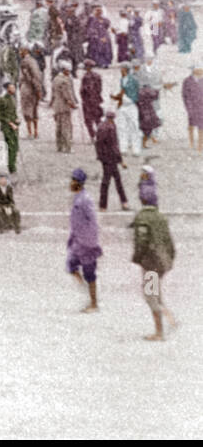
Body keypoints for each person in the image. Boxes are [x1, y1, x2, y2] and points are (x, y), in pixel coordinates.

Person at [129, 170, 176, 341]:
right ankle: (170, 319)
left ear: (142, 199)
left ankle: (159, 332)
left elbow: (140, 242)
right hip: (163, 261)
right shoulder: (161, 217)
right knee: (156, 292)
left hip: (150, 262)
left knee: (150, 295)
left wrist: (137, 258)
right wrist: (170, 259)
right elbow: (170, 243)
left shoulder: (142, 218)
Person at [66, 168, 101, 313]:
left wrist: (91, 241)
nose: (71, 182)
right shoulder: (77, 197)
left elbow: (93, 221)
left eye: (73, 180)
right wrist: (71, 238)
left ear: (79, 183)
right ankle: (86, 293)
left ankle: (93, 303)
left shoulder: (85, 199)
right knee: (71, 266)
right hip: (77, 242)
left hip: (87, 243)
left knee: (89, 273)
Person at [94, 107, 130, 211]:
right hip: (111, 158)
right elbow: (114, 146)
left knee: (108, 181)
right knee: (114, 181)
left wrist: (100, 156)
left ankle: (105, 205)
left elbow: (98, 143)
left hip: (104, 158)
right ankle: (122, 203)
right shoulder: (111, 127)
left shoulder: (100, 126)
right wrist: (121, 160)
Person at [0, 81, 20, 174]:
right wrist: (10, 123)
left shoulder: (12, 98)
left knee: (15, 146)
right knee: (11, 145)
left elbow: (13, 112)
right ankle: (11, 167)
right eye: (12, 87)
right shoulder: (2, 99)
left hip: (14, 125)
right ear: (7, 89)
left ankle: (12, 164)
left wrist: (17, 119)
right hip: (7, 127)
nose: (13, 89)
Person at [183, 63, 203, 152]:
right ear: (194, 70)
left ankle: (200, 145)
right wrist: (189, 108)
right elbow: (185, 96)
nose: (201, 72)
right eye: (199, 69)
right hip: (192, 107)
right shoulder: (187, 81)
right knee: (191, 125)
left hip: (201, 107)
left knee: (201, 127)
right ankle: (191, 143)